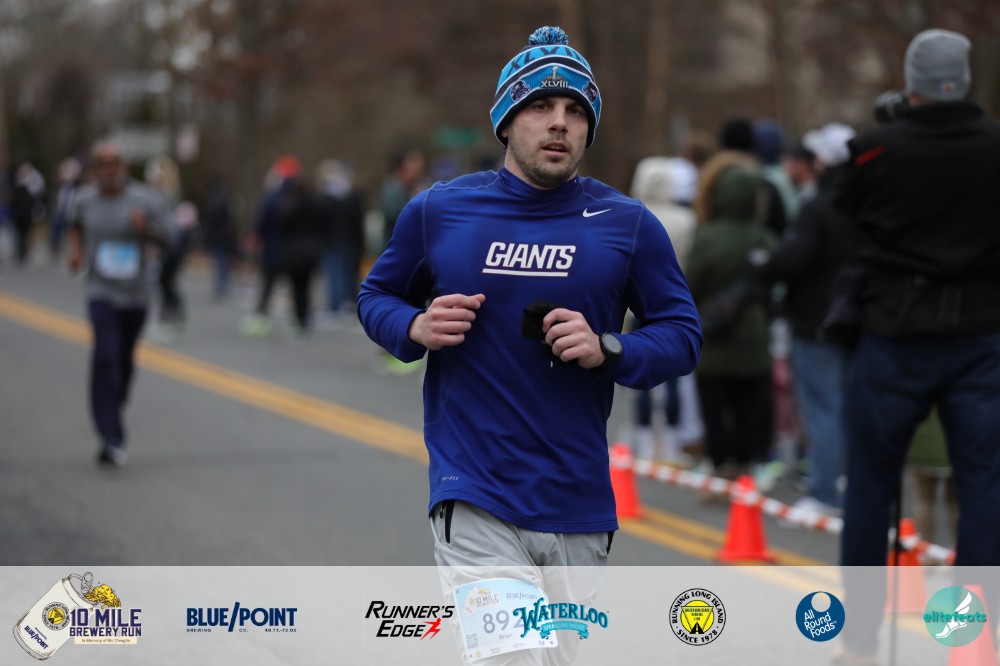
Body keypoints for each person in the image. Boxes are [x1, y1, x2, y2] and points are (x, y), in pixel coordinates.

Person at [358, 26, 701, 664]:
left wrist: (610, 349)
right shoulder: (438, 211)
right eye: (540, 106)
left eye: (576, 110)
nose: (559, 122)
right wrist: (413, 327)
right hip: (474, 490)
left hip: (577, 501)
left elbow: (682, 336)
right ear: (506, 122)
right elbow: (375, 296)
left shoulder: (627, 224)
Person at [834, 29, 1000, 664]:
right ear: (966, 79)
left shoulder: (875, 150)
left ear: (911, 82)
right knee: (984, 491)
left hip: (893, 336)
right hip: (981, 336)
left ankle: (859, 642)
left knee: (870, 492)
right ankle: (973, 639)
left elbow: (841, 219)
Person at [758, 122, 859, 519]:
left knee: (823, 410)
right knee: (846, 408)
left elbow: (791, 259)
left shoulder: (819, 208)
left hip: (818, 321)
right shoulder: (866, 204)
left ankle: (825, 492)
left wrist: (766, 264)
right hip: (858, 320)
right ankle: (845, 482)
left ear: (824, 163)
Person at [67, 141, 174, 467]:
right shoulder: (84, 200)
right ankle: (110, 436)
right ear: (95, 169)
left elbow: (173, 238)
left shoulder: (145, 199)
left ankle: (114, 406)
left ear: (124, 167)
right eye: (103, 163)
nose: (109, 169)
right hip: (100, 291)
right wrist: (76, 251)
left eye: (114, 162)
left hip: (136, 294)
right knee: (105, 356)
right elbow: (74, 226)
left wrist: (147, 229)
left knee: (123, 363)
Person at [685, 152, 778, 484]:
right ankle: (748, 463)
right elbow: (773, 287)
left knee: (714, 404)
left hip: (713, 333)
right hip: (754, 335)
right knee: (749, 403)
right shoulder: (764, 237)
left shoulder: (707, 237)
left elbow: (689, 284)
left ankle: (720, 461)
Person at [315, 159, 365, 325]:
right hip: (347, 241)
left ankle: (336, 306)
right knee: (345, 273)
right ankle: (346, 303)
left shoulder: (327, 198)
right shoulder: (350, 195)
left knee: (335, 274)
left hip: (332, 241)